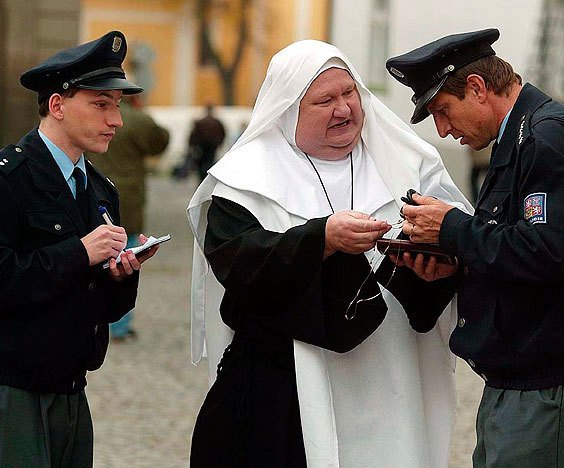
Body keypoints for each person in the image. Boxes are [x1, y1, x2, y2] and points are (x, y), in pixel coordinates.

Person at [186, 40, 473, 467]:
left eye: (349, 93)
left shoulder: (411, 163)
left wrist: (438, 268)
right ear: (289, 110)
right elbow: (240, 263)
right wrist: (321, 239)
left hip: (393, 372)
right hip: (292, 379)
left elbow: (462, 242)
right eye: (325, 100)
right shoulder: (242, 181)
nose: (344, 110)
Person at [386, 28, 564, 467]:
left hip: (549, 394)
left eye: (442, 110)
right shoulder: (520, 137)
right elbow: (516, 246)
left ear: (476, 88)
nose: (442, 128)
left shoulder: (548, 138)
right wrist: (451, 263)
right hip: (524, 388)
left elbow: (546, 253)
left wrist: (452, 228)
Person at [0, 31, 159, 467]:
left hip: (72, 390)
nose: (115, 120)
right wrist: (79, 254)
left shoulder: (100, 190)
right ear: (58, 105)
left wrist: (120, 275)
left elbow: (100, 306)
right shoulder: (2, 179)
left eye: (116, 106)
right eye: (101, 104)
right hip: (11, 391)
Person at [87, 93, 170, 341]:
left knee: (95, 253)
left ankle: (94, 319)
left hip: (95, 191)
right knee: (127, 258)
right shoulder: (136, 120)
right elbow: (160, 142)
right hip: (128, 197)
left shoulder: (92, 118)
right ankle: (120, 326)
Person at [189, 103, 226, 183]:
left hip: (201, 146)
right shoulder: (217, 122)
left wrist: (192, 145)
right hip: (213, 146)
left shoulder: (200, 122)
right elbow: (222, 134)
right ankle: (207, 180)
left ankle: (202, 180)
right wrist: (219, 143)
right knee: (209, 162)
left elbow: (194, 135)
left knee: (201, 164)